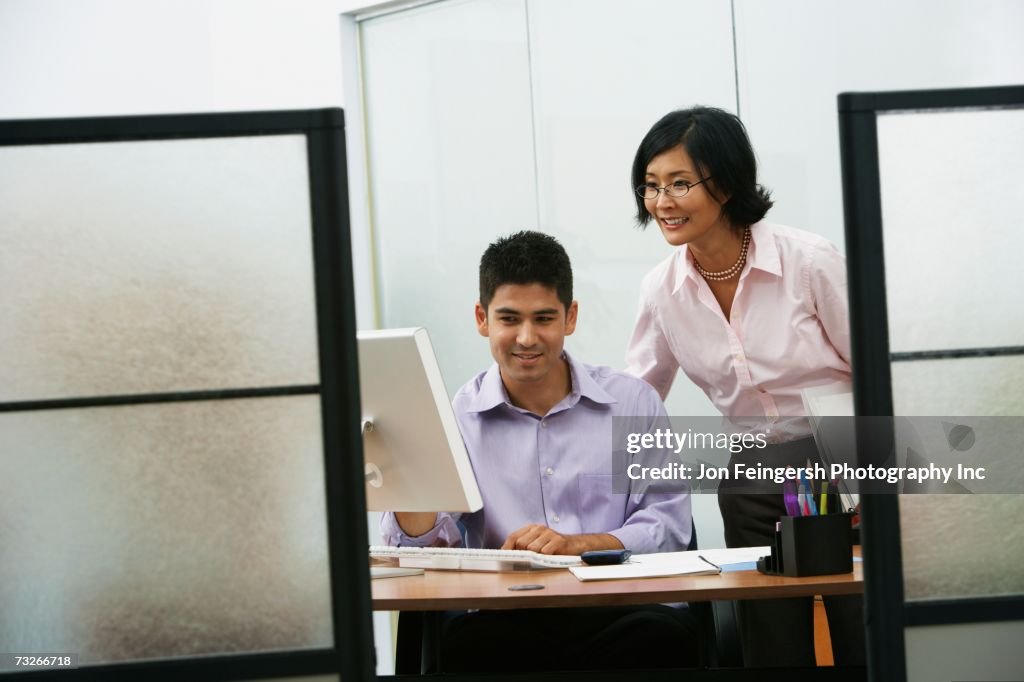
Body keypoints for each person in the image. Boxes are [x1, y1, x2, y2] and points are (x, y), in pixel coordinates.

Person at [381, 230, 697, 672]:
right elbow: (422, 550)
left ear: (570, 317)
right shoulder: (457, 416)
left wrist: (579, 545)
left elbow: (668, 523)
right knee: (468, 650)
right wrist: (406, 468)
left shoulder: (634, 402)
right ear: (482, 318)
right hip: (506, 621)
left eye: (544, 319)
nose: (527, 338)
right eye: (509, 318)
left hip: (621, 611)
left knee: (661, 641)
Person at [624, 106, 865, 667]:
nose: (662, 202)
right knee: (771, 647)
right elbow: (638, 396)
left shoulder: (808, 261)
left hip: (847, 459)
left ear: (727, 184)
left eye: (680, 183)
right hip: (754, 472)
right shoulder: (662, 290)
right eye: (651, 185)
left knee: (864, 636)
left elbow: (878, 370)